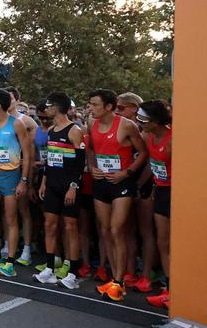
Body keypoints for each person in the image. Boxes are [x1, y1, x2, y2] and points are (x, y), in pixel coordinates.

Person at [88, 89, 148, 302]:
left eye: (95, 105)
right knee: (105, 231)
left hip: (122, 183)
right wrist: (92, 166)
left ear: (109, 107)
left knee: (117, 229)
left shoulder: (126, 125)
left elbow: (143, 152)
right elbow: (92, 149)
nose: (91, 108)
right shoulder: (91, 123)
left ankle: (120, 281)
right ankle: (115, 278)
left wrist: (127, 172)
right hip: (101, 182)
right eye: (90, 104)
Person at [34, 92, 85, 290]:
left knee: (70, 227)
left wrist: (73, 187)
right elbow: (50, 160)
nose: (46, 108)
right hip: (53, 184)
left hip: (69, 186)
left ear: (57, 106)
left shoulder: (74, 130)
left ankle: (72, 272)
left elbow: (80, 164)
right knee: (50, 225)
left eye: (49, 105)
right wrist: (44, 182)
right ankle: (49, 268)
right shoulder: (52, 130)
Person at [0, 89, 32, 278]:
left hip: (11, 176)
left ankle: (10, 261)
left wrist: (23, 181)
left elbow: (27, 153)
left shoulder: (17, 124)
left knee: (11, 219)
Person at [116, 92, 157, 294]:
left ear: (134, 107)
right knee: (127, 230)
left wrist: (141, 184)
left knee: (146, 230)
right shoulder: (123, 127)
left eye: (121, 108)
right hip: (126, 183)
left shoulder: (147, 130)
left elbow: (151, 161)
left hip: (144, 184)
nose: (117, 111)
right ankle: (130, 271)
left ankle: (146, 275)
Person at [138, 101, 172, 310]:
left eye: (143, 120)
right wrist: (142, 185)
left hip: (175, 192)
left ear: (156, 121)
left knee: (176, 243)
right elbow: (153, 164)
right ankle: (168, 289)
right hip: (160, 191)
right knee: (163, 242)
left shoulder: (172, 139)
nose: (140, 123)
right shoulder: (148, 136)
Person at [7, 87, 37, 266]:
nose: (7, 102)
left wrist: (28, 179)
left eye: (10, 99)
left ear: (17, 100)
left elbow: (31, 153)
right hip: (2, 170)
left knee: (23, 210)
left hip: (20, 171)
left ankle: (26, 249)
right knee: (6, 211)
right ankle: (7, 244)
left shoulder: (27, 122)